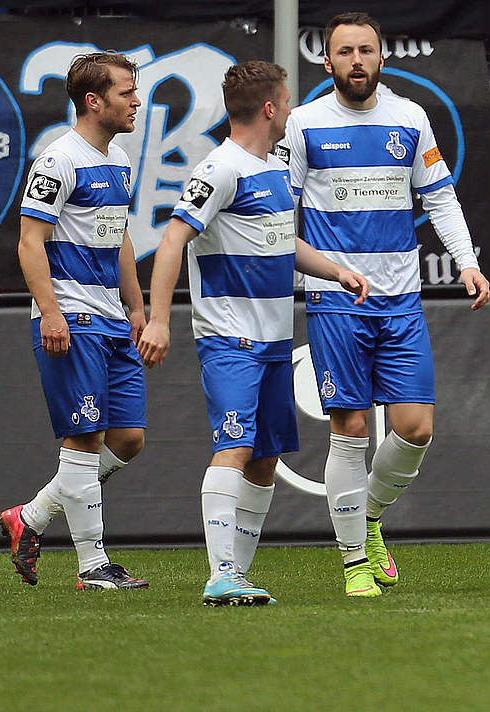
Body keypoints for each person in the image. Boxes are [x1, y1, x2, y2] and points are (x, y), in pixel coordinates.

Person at [138, 61, 369, 606]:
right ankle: (219, 574)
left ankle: (235, 576)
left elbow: (281, 243)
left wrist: (335, 270)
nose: (290, 109)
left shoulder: (270, 168)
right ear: (269, 108)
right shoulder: (219, 169)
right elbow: (172, 242)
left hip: (272, 342)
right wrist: (158, 318)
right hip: (228, 338)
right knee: (236, 447)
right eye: (286, 101)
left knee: (265, 458)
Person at [282, 11, 490, 598]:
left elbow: (440, 197)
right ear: (327, 62)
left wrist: (467, 261)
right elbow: (279, 212)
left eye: (365, 50)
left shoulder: (411, 118)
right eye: (344, 51)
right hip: (334, 299)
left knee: (416, 427)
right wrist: (311, 269)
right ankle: (354, 563)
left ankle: (367, 518)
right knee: (349, 428)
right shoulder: (303, 125)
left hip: (401, 298)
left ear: (382, 58)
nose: (355, 60)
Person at [0, 52, 149, 590]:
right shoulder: (57, 159)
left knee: (128, 438)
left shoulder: (120, 158)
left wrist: (136, 305)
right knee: (82, 440)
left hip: (111, 317)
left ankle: (32, 517)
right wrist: (52, 313)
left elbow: (120, 236)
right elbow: (28, 242)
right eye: (126, 92)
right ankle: (93, 566)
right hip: (73, 316)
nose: (137, 101)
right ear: (93, 101)